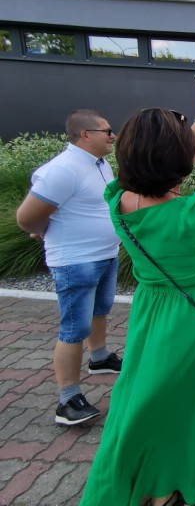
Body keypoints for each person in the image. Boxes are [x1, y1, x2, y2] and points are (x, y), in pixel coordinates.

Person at [80, 81, 195, 506]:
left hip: (152, 311)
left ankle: (157, 482)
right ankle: (186, 481)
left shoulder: (118, 200)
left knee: (153, 395)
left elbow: (168, 170)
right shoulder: (194, 214)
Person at [16, 109, 122, 427]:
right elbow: (26, 217)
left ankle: (99, 357)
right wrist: (41, 230)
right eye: (107, 131)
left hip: (104, 254)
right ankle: (68, 400)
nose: (113, 136)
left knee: (100, 309)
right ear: (85, 135)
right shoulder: (63, 170)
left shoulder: (99, 164)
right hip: (76, 261)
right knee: (74, 328)